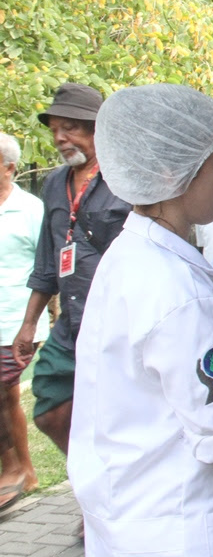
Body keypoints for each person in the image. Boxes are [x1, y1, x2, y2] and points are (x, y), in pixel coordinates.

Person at [68, 84, 213, 557]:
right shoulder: (178, 293)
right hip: (183, 539)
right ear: (173, 173)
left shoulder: (130, 256)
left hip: (134, 524)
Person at [12, 84, 131, 497]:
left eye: (71, 128)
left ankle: (116, 495)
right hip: (73, 324)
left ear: (98, 129)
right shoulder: (53, 184)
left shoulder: (124, 179)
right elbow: (48, 260)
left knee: (120, 415)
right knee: (48, 402)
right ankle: (98, 483)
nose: (61, 138)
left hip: (119, 323)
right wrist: (29, 324)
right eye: (55, 131)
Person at [0, 133, 47, 507]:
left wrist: (35, 323)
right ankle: (21, 472)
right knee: (7, 396)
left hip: (18, 320)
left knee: (4, 392)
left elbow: (46, 267)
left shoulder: (31, 209)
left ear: (9, 168)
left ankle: (17, 469)